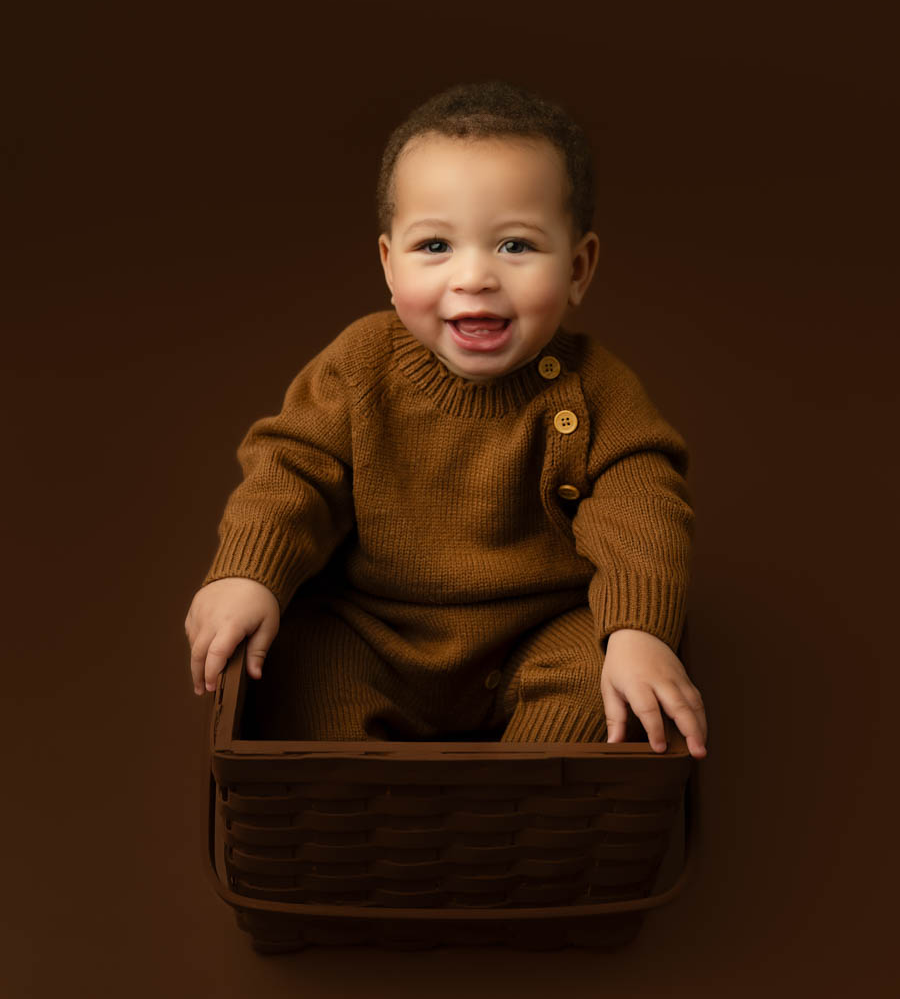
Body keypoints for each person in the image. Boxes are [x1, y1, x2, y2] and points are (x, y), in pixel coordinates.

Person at [184, 79, 708, 758]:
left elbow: (644, 505)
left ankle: (516, 816)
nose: (474, 277)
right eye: (435, 246)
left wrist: (639, 630)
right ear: (387, 263)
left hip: (537, 633)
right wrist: (246, 572)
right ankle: (366, 823)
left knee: (598, 676)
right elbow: (291, 472)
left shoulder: (597, 387)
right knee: (305, 663)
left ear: (578, 268)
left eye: (515, 246)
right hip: (375, 632)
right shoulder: (361, 364)